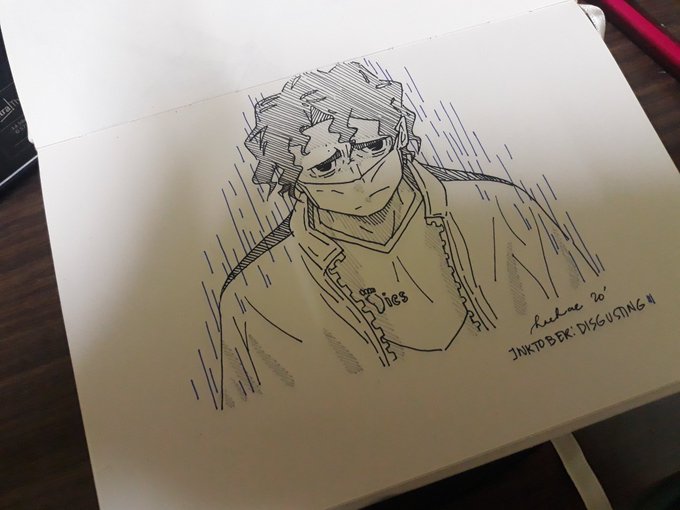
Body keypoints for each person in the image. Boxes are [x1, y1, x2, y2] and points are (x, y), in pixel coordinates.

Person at [217, 62, 597, 408]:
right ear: (292, 181)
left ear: (400, 136)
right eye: (326, 164)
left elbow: (590, 319)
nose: (359, 172)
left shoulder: (502, 207)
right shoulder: (255, 293)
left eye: (372, 146)